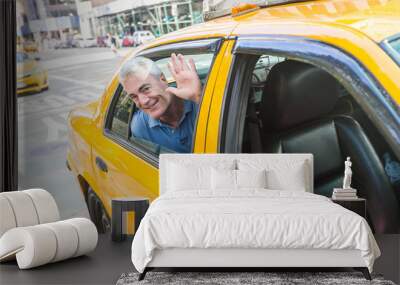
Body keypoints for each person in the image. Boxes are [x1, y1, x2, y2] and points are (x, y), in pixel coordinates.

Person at [119, 53, 201, 153]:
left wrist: (198, 98)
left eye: (146, 89)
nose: (143, 101)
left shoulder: (198, 102)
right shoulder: (140, 127)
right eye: (134, 96)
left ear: (163, 79)